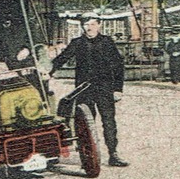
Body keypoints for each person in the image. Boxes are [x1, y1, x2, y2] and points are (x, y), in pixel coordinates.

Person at [52, 15, 129, 166]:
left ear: (99, 26)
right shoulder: (77, 43)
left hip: (104, 88)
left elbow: (118, 66)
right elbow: (62, 58)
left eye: (93, 24)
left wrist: (118, 89)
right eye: (86, 24)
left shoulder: (107, 42)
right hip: (84, 89)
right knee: (85, 123)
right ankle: (87, 157)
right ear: (82, 27)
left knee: (109, 122)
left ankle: (113, 155)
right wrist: (47, 71)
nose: (89, 27)